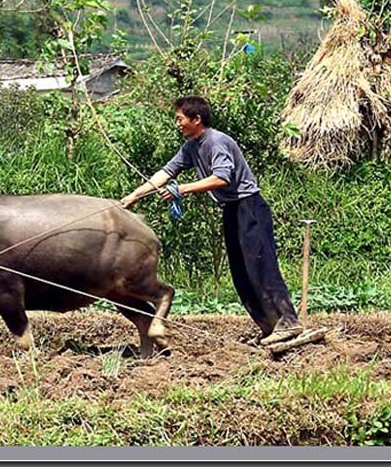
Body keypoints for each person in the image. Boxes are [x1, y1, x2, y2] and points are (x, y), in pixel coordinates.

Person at [120, 96, 303, 345]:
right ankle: (271, 327)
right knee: (241, 274)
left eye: (180, 119)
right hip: (231, 209)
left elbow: (221, 178)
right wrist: (133, 197)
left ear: (197, 119)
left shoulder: (216, 141)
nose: (177, 124)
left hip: (249, 207)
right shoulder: (191, 146)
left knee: (261, 268)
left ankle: (289, 323)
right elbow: (165, 172)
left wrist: (181, 189)